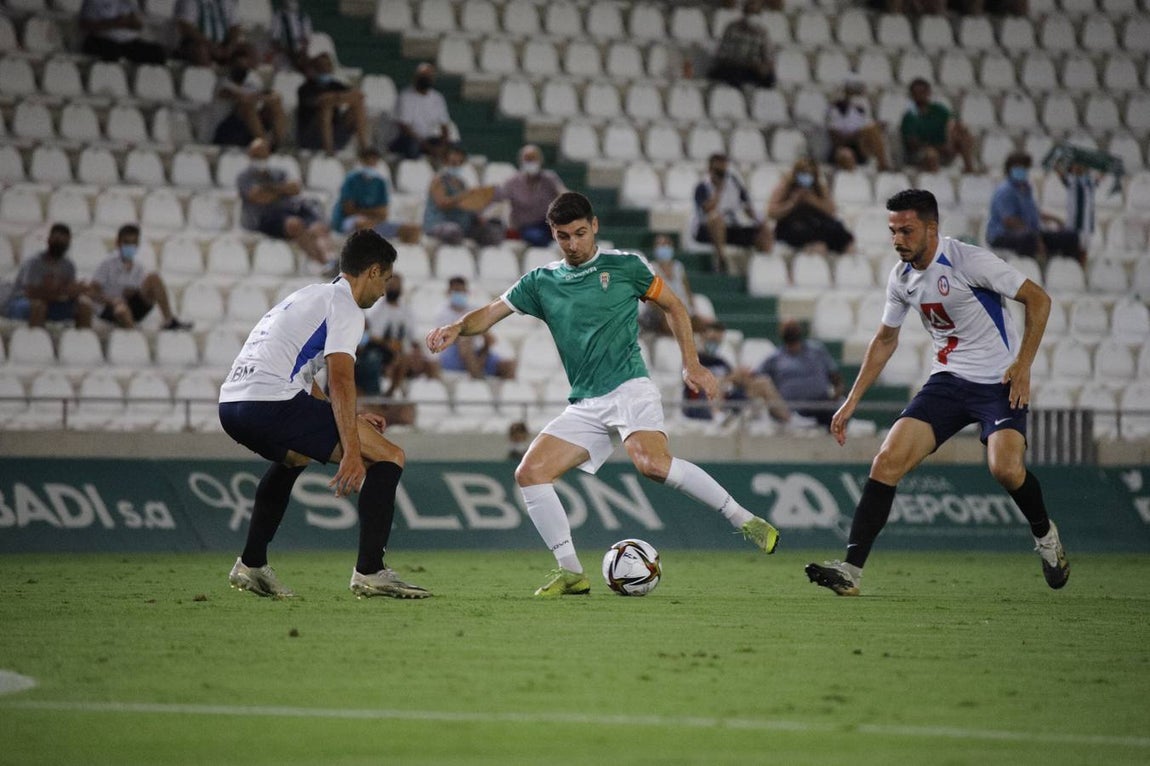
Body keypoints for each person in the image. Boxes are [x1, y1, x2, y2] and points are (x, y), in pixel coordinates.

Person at [426, 192, 781, 597]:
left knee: (651, 464)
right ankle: (572, 573)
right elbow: (490, 312)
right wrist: (457, 327)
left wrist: (692, 363)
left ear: (594, 226)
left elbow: (675, 306)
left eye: (580, 233)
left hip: (629, 386)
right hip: (586, 403)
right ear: (553, 235)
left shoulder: (625, 266)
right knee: (530, 473)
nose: (573, 244)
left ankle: (744, 519)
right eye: (564, 237)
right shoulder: (541, 282)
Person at [806, 189, 1069, 597]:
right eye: (893, 230)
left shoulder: (968, 260)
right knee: (886, 461)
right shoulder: (902, 277)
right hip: (947, 382)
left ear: (932, 228)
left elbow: (1039, 299)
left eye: (907, 230)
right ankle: (851, 572)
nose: (898, 239)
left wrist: (1023, 364)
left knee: (1006, 469)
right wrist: (852, 399)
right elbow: (884, 340)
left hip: (997, 382)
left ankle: (1046, 536)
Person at [219, 229, 430, 600]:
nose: (384, 291)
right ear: (373, 271)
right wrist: (352, 449)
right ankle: (371, 571)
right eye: (386, 279)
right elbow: (341, 379)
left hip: (233, 404)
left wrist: (350, 420)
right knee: (389, 455)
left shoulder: (308, 296)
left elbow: (304, 379)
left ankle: (252, 564)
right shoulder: (345, 306)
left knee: (295, 456)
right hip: (271, 401)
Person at [236, 138, 334, 270]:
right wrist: (282, 191)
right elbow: (259, 197)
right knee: (295, 225)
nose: (260, 158)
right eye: (256, 155)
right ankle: (323, 264)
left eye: (263, 154)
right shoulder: (245, 177)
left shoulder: (277, 172)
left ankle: (330, 259)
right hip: (265, 218)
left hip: (289, 210)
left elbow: (295, 188)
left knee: (318, 227)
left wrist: (270, 189)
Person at [87, 224, 192, 331]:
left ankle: (169, 320)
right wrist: (112, 300)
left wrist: (134, 292)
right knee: (122, 310)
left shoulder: (139, 268)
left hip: (131, 306)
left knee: (154, 278)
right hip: (109, 308)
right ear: (118, 243)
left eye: (133, 243)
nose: (130, 246)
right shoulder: (107, 264)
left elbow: (141, 293)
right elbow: (92, 292)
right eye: (126, 242)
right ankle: (133, 335)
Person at [682, 321, 790, 424]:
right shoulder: (694, 360)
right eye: (712, 340)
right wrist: (729, 378)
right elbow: (694, 383)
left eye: (718, 341)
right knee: (717, 381)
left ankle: (787, 418)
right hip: (701, 402)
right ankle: (717, 417)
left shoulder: (722, 362)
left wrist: (742, 377)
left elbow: (732, 380)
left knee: (763, 382)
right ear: (703, 336)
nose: (714, 344)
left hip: (728, 398)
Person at [355, 272, 439, 401]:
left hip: (404, 352)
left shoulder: (407, 311)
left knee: (432, 365)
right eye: (391, 284)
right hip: (383, 353)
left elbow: (413, 338)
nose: (394, 287)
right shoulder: (376, 310)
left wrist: (417, 352)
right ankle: (389, 394)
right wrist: (393, 348)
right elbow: (374, 337)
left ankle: (432, 398)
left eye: (397, 285)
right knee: (398, 359)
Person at [986, 152, 1081, 262]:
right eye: (1018, 167)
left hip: (1030, 232)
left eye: (1024, 167)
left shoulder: (1026, 188)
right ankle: (1026, 270)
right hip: (1002, 235)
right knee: (1029, 239)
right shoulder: (1005, 190)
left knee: (1070, 236)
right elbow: (1009, 221)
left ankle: (1063, 269)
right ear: (1009, 169)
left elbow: (1033, 212)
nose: (1022, 170)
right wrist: (1036, 238)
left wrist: (1056, 220)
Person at [754, 319, 843, 429]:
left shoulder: (817, 350)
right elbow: (756, 376)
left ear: (799, 329)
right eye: (786, 327)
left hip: (820, 405)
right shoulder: (774, 358)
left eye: (793, 326)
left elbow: (835, 375)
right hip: (792, 410)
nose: (790, 330)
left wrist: (837, 393)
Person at [692, 152, 773, 274]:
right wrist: (719, 190)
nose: (721, 174)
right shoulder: (702, 186)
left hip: (733, 225)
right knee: (715, 218)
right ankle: (721, 260)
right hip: (708, 228)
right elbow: (706, 209)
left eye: (723, 171)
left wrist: (758, 220)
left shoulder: (734, 183)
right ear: (710, 169)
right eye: (717, 171)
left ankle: (764, 266)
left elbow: (746, 205)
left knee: (764, 227)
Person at [6, 224, 92, 329]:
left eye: (64, 242)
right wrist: (60, 291)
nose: (60, 245)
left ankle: (80, 342)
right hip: (23, 303)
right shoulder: (34, 263)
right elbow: (30, 293)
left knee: (84, 305)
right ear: (49, 240)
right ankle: (37, 342)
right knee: (39, 306)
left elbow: (69, 290)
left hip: (53, 304)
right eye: (57, 240)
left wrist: (78, 290)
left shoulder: (68, 265)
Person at [432, 276, 516, 380]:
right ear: (448, 292)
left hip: (477, 352)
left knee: (509, 365)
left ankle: (481, 376)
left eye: (461, 291)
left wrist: (482, 355)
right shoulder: (443, 313)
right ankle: (478, 380)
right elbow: (453, 339)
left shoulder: (474, 310)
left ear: (466, 292)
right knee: (465, 341)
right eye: (456, 291)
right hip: (453, 354)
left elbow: (489, 339)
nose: (459, 294)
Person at [332, 147, 421, 243]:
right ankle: (366, 257)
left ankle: (405, 256)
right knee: (365, 226)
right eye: (368, 161)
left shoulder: (381, 182)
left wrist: (365, 212)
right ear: (361, 161)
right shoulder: (350, 180)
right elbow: (349, 210)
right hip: (349, 222)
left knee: (413, 230)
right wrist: (373, 213)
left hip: (375, 222)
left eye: (374, 161)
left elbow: (383, 213)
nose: (371, 164)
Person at [767, 158, 855, 255]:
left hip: (815, 224)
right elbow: (772, 212)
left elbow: (831, 211)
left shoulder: (819, 188)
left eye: (810, 174)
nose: (806, 177)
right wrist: (793, 202)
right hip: (791, 226)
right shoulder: (785, 186)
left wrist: (813, 201)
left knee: (838, 230)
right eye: (803, 173)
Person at [423, 144, 504, 247]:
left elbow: (468, 205)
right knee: (453, 232)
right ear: (446, 161)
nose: (456, 166)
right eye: (453, 163)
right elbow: (442, 204)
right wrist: (465, 195)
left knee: (493, 231)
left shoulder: (462, 184)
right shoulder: (438, 181)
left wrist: (478, 216)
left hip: (464, 226)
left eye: (459, 163)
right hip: (440, 224)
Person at [211, 44, 289, 149]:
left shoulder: (253, 82)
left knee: (275, 102)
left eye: (244, 66)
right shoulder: (224, 83)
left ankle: (279, 145)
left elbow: (269, 96)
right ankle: (263, 145)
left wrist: (264, 97)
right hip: (230, 127)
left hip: (253, 124)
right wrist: (257, 97)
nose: (241, 69)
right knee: (247, 106)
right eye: (238, 65)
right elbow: (241, 98)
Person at [296, 53, 371, 156]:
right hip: (313, 134)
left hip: (336, 131)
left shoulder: (335, 85)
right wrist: (338, 98)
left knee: (357, 104)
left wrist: (337, 97)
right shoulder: (305, 88)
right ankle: (329, 150)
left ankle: (365, 149)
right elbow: (321, 101)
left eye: (327, 66)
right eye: (321, 66)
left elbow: (357, 96)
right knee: (326, 107)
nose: (325, 69)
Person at [494, 144, 567, 247]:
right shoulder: (513, 182)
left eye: (533, 159)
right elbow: (498, 196)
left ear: (540, 160)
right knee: (538, 237)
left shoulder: (549, 178)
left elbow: (564, 195)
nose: (531, 162)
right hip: (526, 226)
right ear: (521, 161)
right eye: (527, 159)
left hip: (548, 223)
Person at [900, 78, 976, 174]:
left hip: (945, 149)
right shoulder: (909, 116)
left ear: (928, 92)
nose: (920, 95)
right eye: (916, 92)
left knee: (964, 134)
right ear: (912, 95)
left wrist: (951, 140)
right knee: (931, 154)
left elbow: (953, 123)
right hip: (922, 153)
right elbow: (912, 144)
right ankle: (935, 181)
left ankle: (969, 170)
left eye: (922, 92)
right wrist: (939, 147)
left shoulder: (939, 110)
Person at [389, 63, 452, 164]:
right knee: (413, 147)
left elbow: (444, 125)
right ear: (416, 77)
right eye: (423, 76)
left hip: (427, 138)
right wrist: (429, 147)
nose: (426, 79)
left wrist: (443, 145)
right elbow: (404, 128)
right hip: (405, 139)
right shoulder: (405, 96)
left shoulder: (437, 98)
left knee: (453, 147)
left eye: (429, 76)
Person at [826, 77, 890, 172]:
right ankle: (882, 166)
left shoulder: (860, 110)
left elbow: (867, 129)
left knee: (874, 131)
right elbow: (836, 139)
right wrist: (858, 134)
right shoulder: (836, 110)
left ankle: (882, 165)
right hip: (841, 148)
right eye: (852, 93)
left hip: (859, 147)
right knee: (846, 153)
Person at [707, 0, 775, 89]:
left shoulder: (762, 32)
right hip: (735, 67)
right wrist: (749, 64)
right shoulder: (732, 28)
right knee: (733, 75)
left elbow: (768, 57)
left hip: (752, 70)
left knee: (770, 78)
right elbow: (723, 56)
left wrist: (764, 67)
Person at [639, 234, 697, 337]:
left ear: (672, 247)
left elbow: (688, 293)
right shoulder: (651, 268)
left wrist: (692, 311)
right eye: (659, 244)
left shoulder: (679, 267)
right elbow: (650, 299)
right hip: (662, 312)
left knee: (702, 324)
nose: (663, 247)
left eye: (666, 244)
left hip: (682, 310)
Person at [79, 0, 167, 64]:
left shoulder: (129, 2)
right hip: (102, 38)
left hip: (127, 42)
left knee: (157, 52)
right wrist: (116, 23)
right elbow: (85, 25)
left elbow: (138, 25)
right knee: (112, 52)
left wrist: (131, 22)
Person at [175, 0, 242, 67]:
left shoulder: (227, 2)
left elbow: (235, 27)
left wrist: (230, 46)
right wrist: (209, 45)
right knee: (201, 50)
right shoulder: (189, 2)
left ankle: (234, 75)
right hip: (197, 43)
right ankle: (206, 75)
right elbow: (185, 26)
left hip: (223, 44)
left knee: (248, 50)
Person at [268, 0, 318, 74]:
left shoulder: (304, 17)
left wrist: (302, 52)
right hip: (285, 54)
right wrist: (288, 52)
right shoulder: (278, 17)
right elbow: (275, 41)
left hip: (300, 54)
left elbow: (307, 39)